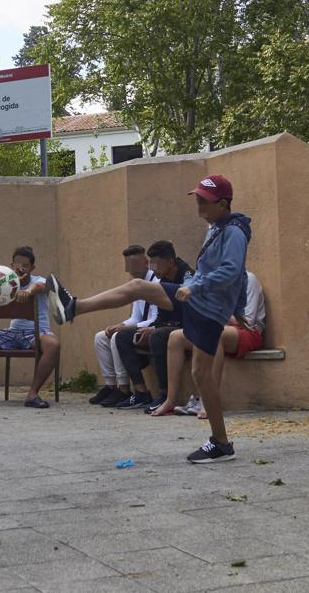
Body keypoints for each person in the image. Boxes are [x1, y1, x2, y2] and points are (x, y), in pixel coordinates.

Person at [46, 175, 251, 463]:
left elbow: (232, 270)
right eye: (198, 197)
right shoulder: (217, 228)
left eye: (204, 199)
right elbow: (234, 275)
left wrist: (196, 287)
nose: (198, 203)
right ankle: (73, 307)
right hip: (197, 300)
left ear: (223, 202)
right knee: (138, 286)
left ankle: (220, 442)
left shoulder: (234, 233)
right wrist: (233, 304)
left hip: (206, 307)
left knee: (201, 376)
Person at [151, 270, 266, 419]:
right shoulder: (215, 281)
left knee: (213, 334)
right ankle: (170, 400)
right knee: (175, 337)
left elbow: (247, 320)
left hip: (249, 332)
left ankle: (208, 402)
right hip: (220, 327)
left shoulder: (248, 279)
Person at [0, 246, 60, 408]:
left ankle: (32, 394)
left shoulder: (39, 281)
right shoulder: (3, 283)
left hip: (36, 333)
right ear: (11, 265)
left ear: (32, 268)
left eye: (25, 266)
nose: (19, 269)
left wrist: (28, 291)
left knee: (53, 345)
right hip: (11, 333)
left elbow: (42, 287)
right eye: (16, 265)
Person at [111, 241, 194, 413]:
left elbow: (188, 313)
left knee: (158, 336)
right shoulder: (162, 278)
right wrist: (152, 327)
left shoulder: (187, 277)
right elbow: (161, 316)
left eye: (157, 263)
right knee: (123, 336)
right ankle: (141, 391)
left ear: (170, 262)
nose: (154, 268)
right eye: (152, 263)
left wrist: (155, 329)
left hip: (188, 327)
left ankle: (164, 393)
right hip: (168, 327)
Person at [88, 245, 159, 409]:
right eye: (128, 266)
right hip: (140, 327)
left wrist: (125, 329)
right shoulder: (135, 284)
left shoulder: (156, 282)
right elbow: (136, 316)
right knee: (100, 337)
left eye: (135, 264)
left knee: (116, 337)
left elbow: (155, 318)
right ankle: (110, 386)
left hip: (152, 329)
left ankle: (124, 388)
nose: (131, 270)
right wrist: (121, 325)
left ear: (146, 262)